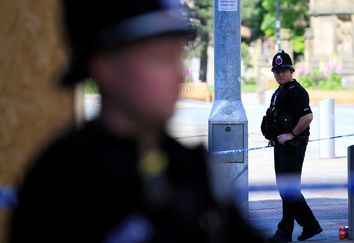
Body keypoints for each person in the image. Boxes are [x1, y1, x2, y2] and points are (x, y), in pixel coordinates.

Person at [8, 1, 266, 242]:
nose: (177, 75)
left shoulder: (193, 167)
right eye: (160, 58)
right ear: (105, 68)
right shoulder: (61, 180)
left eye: (177, 58)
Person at [261, 50, 322, 242]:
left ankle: (285, 231)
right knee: (286, 188)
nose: (280, 74)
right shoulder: (279, 92)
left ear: (291, 71)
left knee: (288, 188)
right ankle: (311, 226)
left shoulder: (297, 92)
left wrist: (292, 134)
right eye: (277, 71)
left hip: (293, 145)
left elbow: (308, 117)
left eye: (284, 70)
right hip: (281, 145)